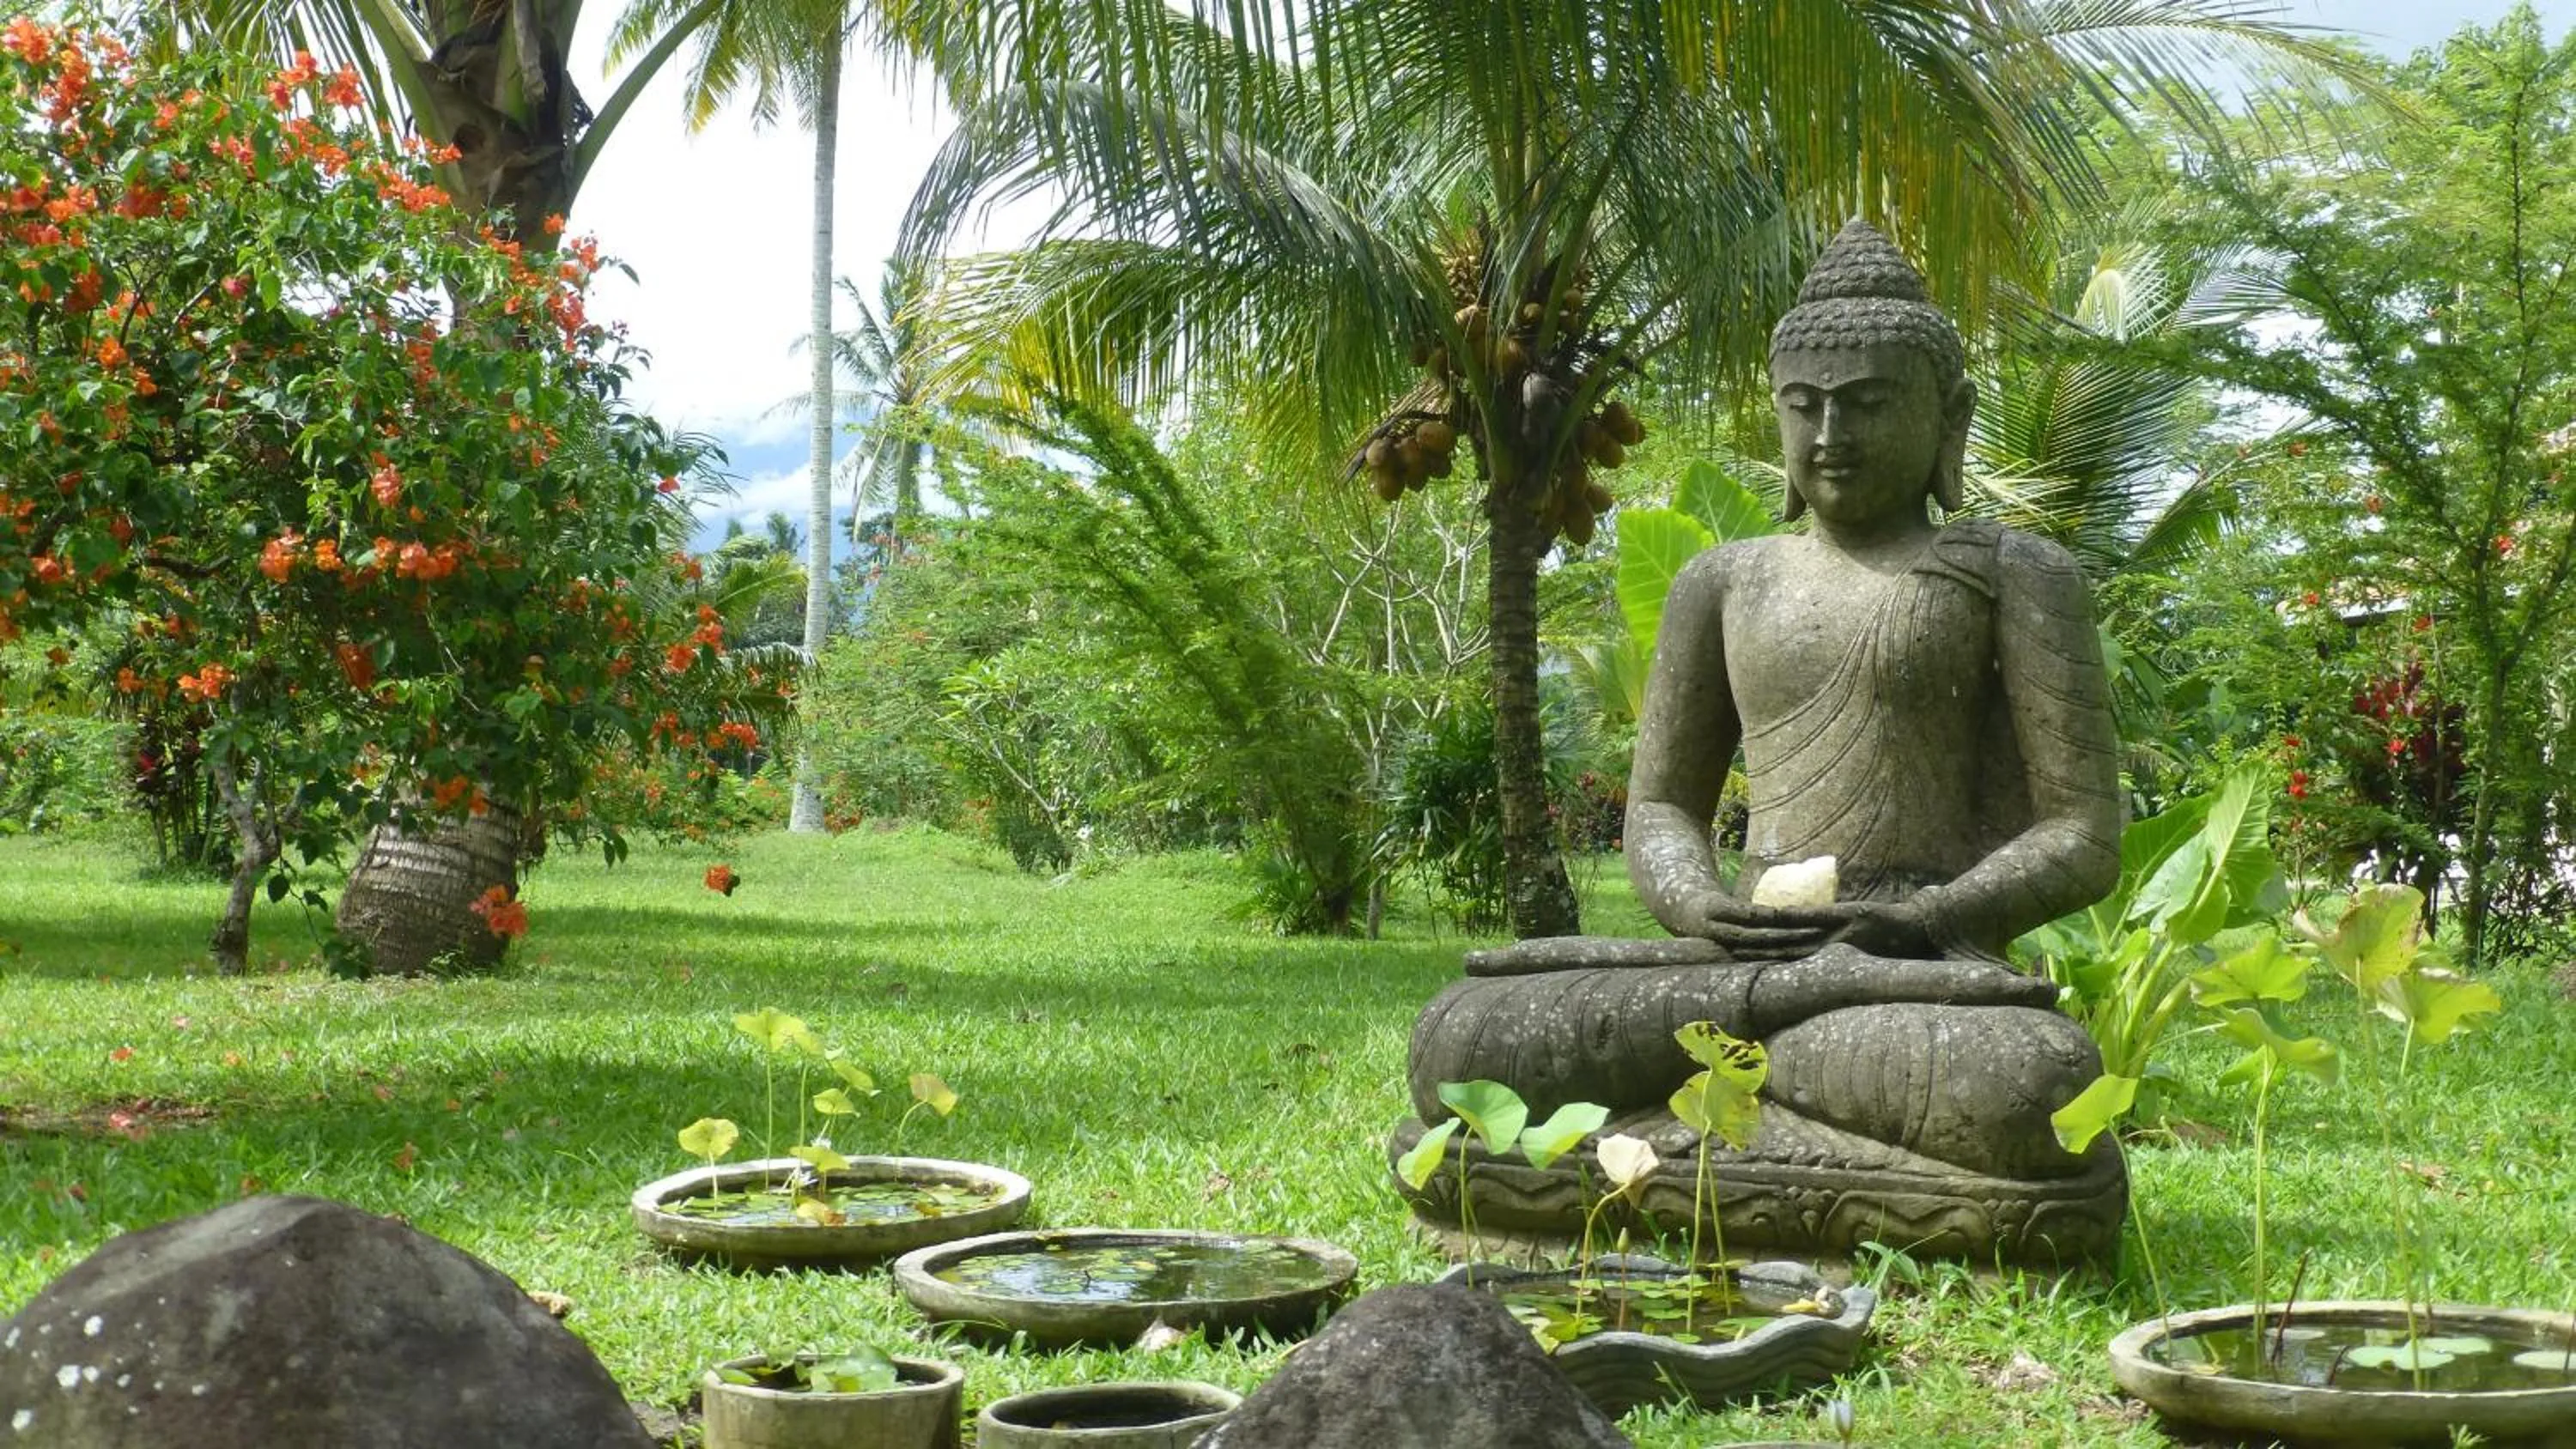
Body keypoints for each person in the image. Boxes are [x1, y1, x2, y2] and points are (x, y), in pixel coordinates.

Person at [1401, 221, 2123, 1203]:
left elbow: (2084, 833)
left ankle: (1703, 1104)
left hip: (1915, 976)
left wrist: (1922, 919)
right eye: (1805, 407)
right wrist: (1701, 906)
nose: (1831, 437)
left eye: (1868, 405)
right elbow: (1660, 809)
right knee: (1463, 1031)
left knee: (2027, 1085)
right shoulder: (1725, 581)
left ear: (1948, 415)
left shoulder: (2009, 574)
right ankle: (1791, 1060)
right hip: (1740, 961)